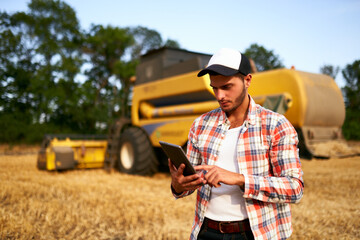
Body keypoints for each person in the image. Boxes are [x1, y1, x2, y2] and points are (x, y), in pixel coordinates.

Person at [168, 48, 304, 240]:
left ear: (247, 80)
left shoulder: (275, 125)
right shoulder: (200, 125)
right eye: (214, 88)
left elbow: (294, 188)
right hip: (206, 231)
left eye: (227, 87)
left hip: (255, 233)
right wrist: (179, 186)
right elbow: (191, 180)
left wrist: (240, 179)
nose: (219, 95)